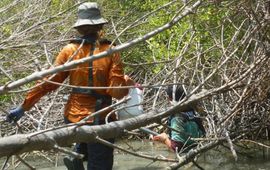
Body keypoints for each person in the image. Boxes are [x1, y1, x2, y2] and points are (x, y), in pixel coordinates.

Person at [6, 2, 134, 170]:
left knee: (83, 146)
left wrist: (24, 107)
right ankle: (79, 154)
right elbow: (117, 93)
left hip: (73, 117)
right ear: (101, 26)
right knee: (100, 164)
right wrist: (126, 83)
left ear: (79, 29)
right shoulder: (111, 50)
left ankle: (77, 153)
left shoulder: (69, 50)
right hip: (101, 119)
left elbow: (48, 82)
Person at [152, 85, 205, 152]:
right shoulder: (193, 112)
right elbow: (202, 135)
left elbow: (175, 149)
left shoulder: (177, 119)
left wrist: (165, 139)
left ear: (169, 98)